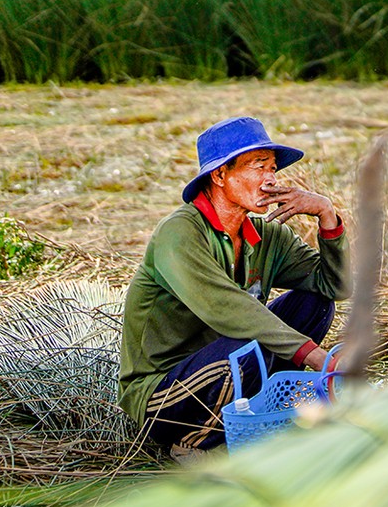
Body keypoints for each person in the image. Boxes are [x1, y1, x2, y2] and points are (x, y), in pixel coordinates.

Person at [119, 116, 348, 454]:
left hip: (229, 365)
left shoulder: (267, 235)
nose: (270, 179)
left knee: (315, 301)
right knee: (244, 343)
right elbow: (225, 307)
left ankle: (258, 410)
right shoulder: (180, 233)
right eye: (258, 167)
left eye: (272, 169)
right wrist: (314, 356)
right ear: (220, 175)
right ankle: (194, 443)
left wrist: (327, 215)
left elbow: (335, 285)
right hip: (163, 394)